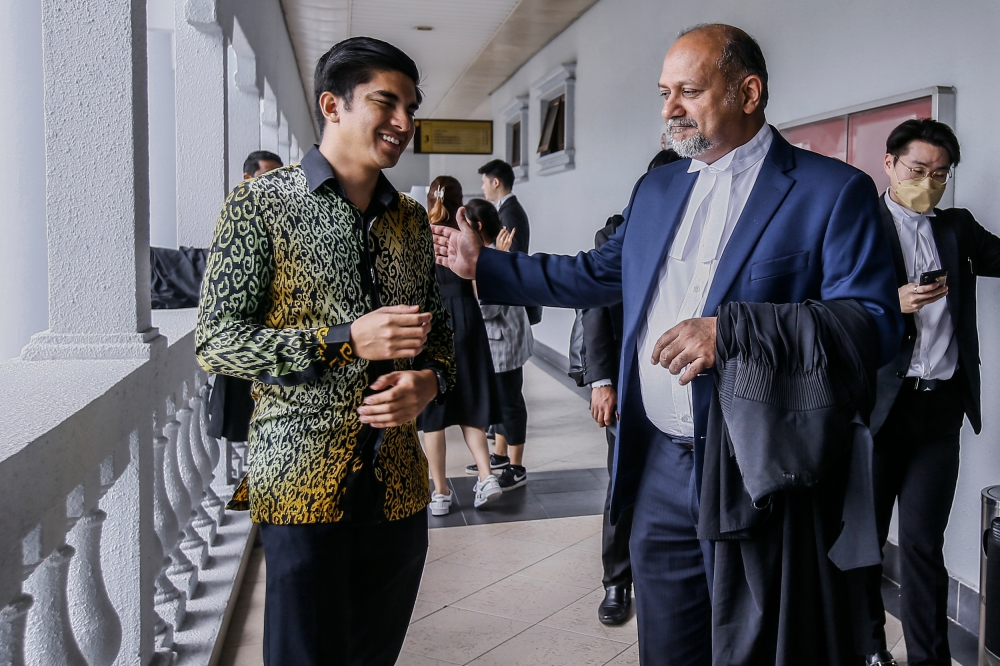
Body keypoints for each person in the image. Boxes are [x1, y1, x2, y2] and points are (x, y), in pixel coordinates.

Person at [435, 23, 901, 666]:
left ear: (748, 91)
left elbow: (873, 324)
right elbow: (596, 273)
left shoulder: (830, 191)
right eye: (664, 92)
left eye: (688, 90)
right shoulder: (657, 189)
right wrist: (484, 265)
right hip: (655, 462)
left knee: (755, 646)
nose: (668, 109)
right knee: (668, 644)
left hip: (752, 470)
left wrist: (732, 330)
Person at [196, 37, 455, 666]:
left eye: (411, 108)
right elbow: (216, 341)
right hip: (300, 477)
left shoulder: (410, 221)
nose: (404, 123)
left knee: (374, 651)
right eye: (386, 103)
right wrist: (344, 340)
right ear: (331, 105)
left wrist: (430, 383)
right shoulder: (261, 205)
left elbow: (440, 335)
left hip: (396, 482)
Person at [864, 119, 1000, 666]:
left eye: (940, 175)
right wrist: (887, 303)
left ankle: (930, 659)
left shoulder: (957, 228)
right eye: (918, 170)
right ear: (891, 164)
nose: (928, 183)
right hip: (874, 413)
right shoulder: (858, 225)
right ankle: (870, 649)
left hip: (938, 412)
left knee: (923, 547)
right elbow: (821, 305)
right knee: (863, 545)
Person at [584, 147, 683, 627]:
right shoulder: (616, 234)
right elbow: (596, 311)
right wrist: (601, 381)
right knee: (624, 483)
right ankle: (616, 581)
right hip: (628, 387)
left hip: (686, 389)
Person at [418, 176, 503, 514]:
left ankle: (439, 493)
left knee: (434, 414)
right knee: (469, 402)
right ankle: (486, 476)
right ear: (459, 201)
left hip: (433, 320)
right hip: (467, 318)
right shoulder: (463, 227)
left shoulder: (419, 232)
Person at [207, 151, 286, 445]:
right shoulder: (235, 217)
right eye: (267, 177)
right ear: (246, 179)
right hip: (247, 339)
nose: (274, 185)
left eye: (280, 177)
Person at [462, 199, 533, 491]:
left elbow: (488, 310)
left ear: (477, 227)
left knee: (510, 403)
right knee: (504, 401)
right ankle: (501, 456)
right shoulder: (492, 254)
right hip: (507, 340)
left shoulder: (493, 258)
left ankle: (516, 468)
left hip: (504, 343)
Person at [479, 159, 542, 326]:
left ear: (496, 182)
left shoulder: (510, 213)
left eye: (484, 182)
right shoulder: (507, 209)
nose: (482, 187)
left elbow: (513, 253)